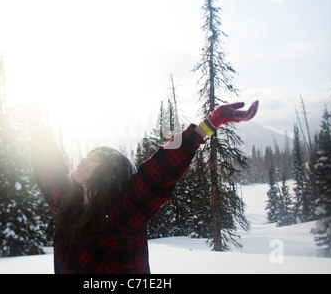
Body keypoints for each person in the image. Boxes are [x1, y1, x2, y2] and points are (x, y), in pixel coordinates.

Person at [28, 101, 258, 274]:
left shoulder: (124, 215)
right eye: (87, 156)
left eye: (95, 159)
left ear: (110, 175)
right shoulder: (65, 205)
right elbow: (46, 164)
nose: (83, 161)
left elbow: (159, 170)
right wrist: (35, 122)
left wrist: (207, 126)